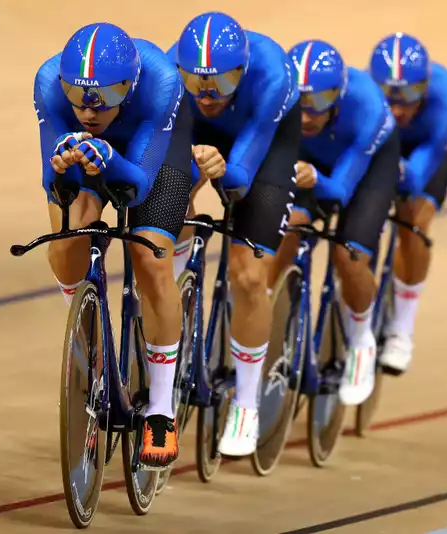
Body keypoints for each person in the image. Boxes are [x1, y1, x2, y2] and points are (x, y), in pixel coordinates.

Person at [32, 22, 195, 468]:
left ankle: (161, 408)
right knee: (70, 243)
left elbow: (138, 186)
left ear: (129, 84)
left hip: (152, 159)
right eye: (78, 95)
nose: (88, 110)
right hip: (91, 158)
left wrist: (110, 159)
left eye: (104, 97)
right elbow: (55, 184)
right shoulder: (48, 83)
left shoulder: (161, 80)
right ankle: (92, 340)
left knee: (149, 257)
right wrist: (64, 165)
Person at [168, 11, 300, 456]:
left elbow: (243, 171)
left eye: (221, 84)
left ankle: (246, 402)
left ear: (241, 73)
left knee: (247, 275)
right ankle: (173, 293)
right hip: (201, 139)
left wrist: (226, 171)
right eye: (197, 83)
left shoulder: (273, 76)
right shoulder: (175, 80)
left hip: (264, 146)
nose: (207, 95)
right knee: (165, 206)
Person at [269, 39, 399, 405]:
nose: (307, 116)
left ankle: (361, 342)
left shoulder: (368, 108)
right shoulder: (279, 101)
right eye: (301, 104)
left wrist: (315, 179)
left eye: (319, 104)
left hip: (367, 170)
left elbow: (340, 192)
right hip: (309, 166)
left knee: (349, 257)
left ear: (339, 96)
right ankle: (280, 315)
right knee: (286, 229)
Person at [369, 32, 447, 374]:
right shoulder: (367, 100)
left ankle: (402, 329)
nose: (397, 109)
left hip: (429, 149)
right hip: (386, 144)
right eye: (388, 98)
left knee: (413, 221)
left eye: (408, 97)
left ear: (424, 87)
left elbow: (418, 172)